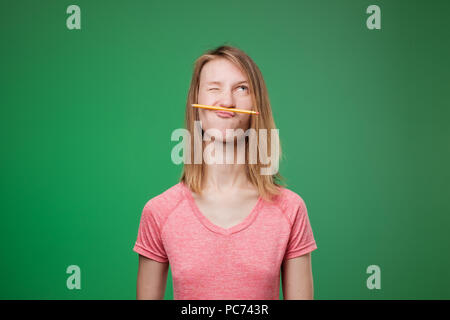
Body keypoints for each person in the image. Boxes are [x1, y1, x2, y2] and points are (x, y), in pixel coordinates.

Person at [133, 45, 317, 300]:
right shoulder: (160, 211)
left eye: (241, 88)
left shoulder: (290, 209)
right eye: (214, 88)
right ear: (196, 104)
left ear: (256, 104)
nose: (227, 101)